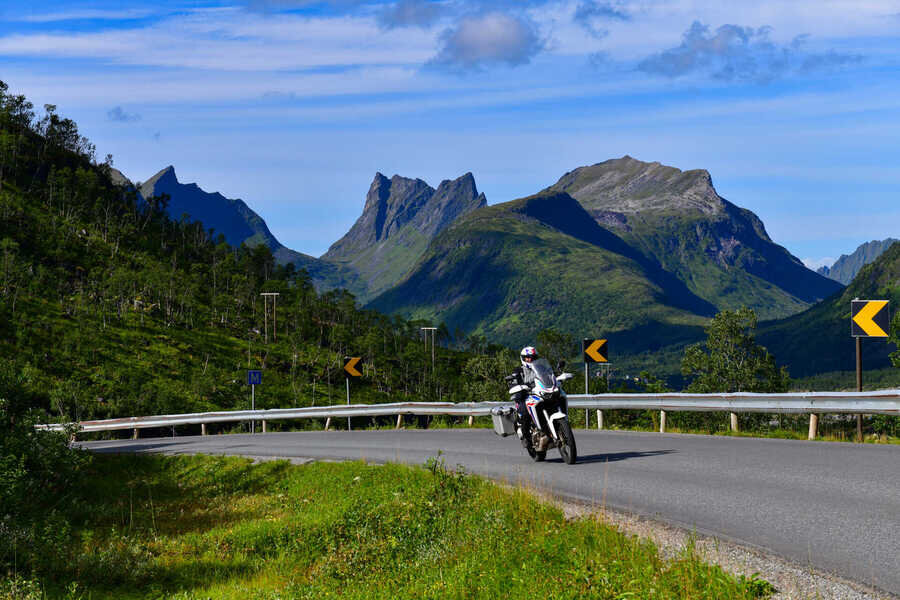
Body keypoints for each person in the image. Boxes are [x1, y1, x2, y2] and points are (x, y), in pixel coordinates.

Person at [510, 346, 539, 440]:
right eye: (527, 357)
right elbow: (513, 383)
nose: (530, 359)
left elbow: (550, 375)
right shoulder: (518, 371)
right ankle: (526, 437)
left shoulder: (541, 368)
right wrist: (520, 387)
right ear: (523, 358)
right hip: (525, 397)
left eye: (532, 357)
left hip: (540, 393)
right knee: (526, 412)